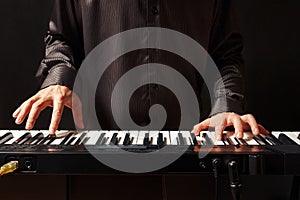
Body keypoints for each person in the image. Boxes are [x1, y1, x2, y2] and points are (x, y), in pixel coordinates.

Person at [12, 0, 268, 138]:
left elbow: (226, 54)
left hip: (188, 151)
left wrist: (226, 106)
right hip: (97, 152)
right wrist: (60, 77)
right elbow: (61, 37)